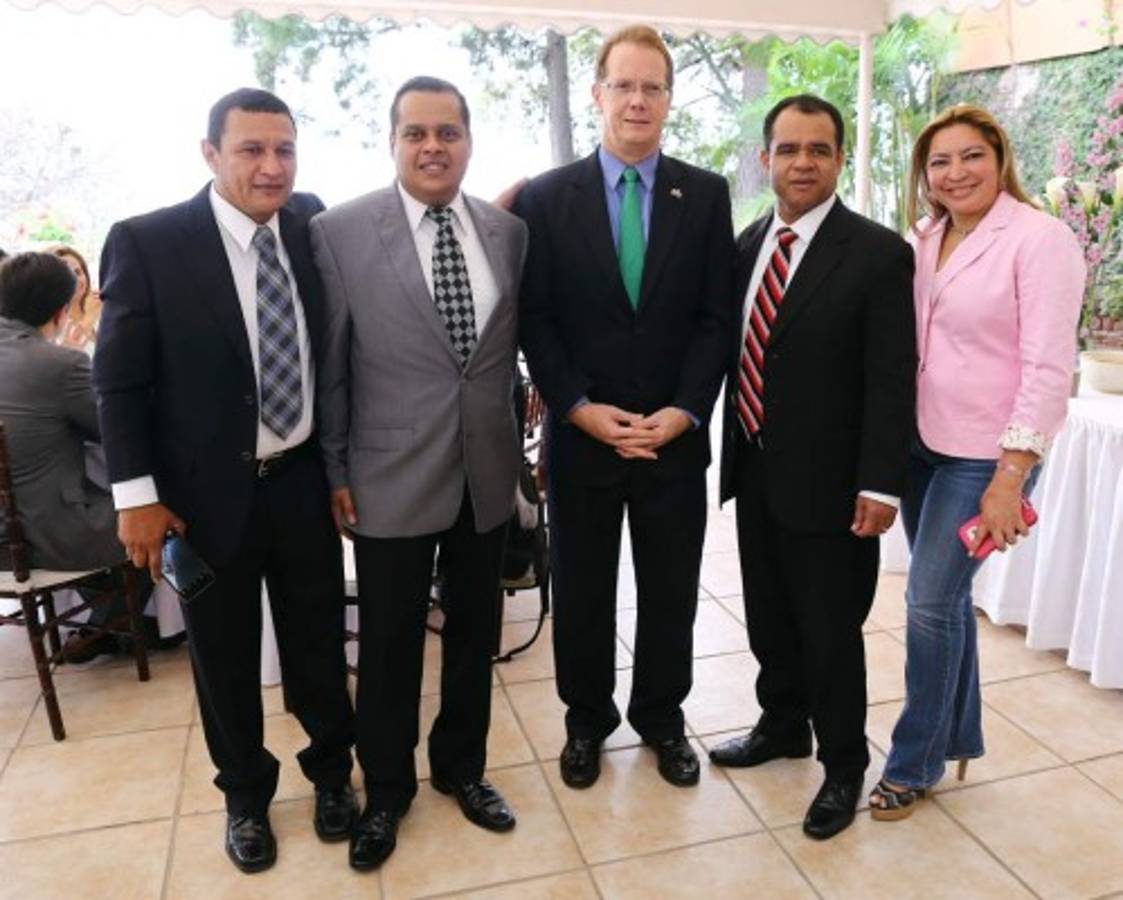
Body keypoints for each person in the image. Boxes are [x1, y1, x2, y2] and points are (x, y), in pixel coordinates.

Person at [93, 88, 356, 873]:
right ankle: (245, 797)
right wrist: (136, 498)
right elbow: (118, 383)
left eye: (284, 149)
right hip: (203, 503)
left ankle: (332, 775)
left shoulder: (312, 223)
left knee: (318, 641)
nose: (271, 167)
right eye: (250, 150)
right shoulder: (147, 242)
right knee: (224, 656)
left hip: (302, 483)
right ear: (210, 153)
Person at [311, 76, 528, 871]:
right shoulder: (339, 232)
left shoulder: (507, 232)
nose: (432, 146)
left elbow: (500, 359)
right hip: (385, 472)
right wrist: (334, 464)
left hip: (485, 471)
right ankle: (389, 791)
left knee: (475, 637)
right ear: (393, 141)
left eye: (447, 132)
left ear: (469, 140)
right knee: (393, 645)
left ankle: (462, 771)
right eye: (415, 133)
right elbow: (330, 364)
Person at [516, 26, 735, 791]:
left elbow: (716, 318)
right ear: (598, 93)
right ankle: (586, 723)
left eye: (653, 87)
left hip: (672, 441)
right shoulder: (546, 199)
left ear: (669, 99)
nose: (637, 100)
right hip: (583, 442)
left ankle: (662, 719)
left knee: (671, 593)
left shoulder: (704, 195)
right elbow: (534, 317)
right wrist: (576, 407)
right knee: (582, 594)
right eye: (624, 85)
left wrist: (685, 409)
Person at [708, 95, 916, 840]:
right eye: (788, 149)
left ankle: (841, 763)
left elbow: (892, 377)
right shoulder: (745, 244)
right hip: (756, 468)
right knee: (769, 614)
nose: (802, 162)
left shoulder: (877, 252)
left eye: (818, 150)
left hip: (835, 485)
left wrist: (878, 482)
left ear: (838, 160)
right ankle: (782, 725)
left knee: (830, 630)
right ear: (764, 159)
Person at [868, 105, 1084, 820]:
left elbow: (1049, 367)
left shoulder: (1039, 239)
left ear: (999, 159)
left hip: (986, 456)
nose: (954, 173)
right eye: (938, 161)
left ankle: (913, 761)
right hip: (920, 445)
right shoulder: (924, 238)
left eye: (970, 157)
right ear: (922, 175)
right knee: (946, 602)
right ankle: (954, 734)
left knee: (926, 604)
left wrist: (1009, 475)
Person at [51, 245, 102, 354]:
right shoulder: (50, 325)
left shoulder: (101, 309)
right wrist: (89, 318)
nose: (75, 279)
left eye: (78, 272)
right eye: (66, 273)